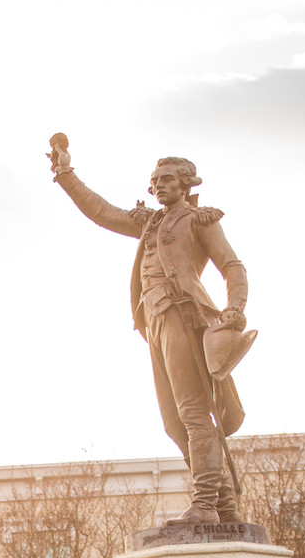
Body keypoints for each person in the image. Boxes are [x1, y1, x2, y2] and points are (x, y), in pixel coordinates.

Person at [48, 135, 255, 524]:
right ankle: (224, 506)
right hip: (155, 321)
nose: (158, 184)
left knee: (194, 413)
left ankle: (206, 503)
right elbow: (101, 211)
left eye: (167, 178)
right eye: (155, 179)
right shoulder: (149, 222)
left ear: (186, 184)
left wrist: (235, 308)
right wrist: (65, 171)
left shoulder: (199, 219)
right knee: (174, 421)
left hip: (184, 316)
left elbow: (233, 266)